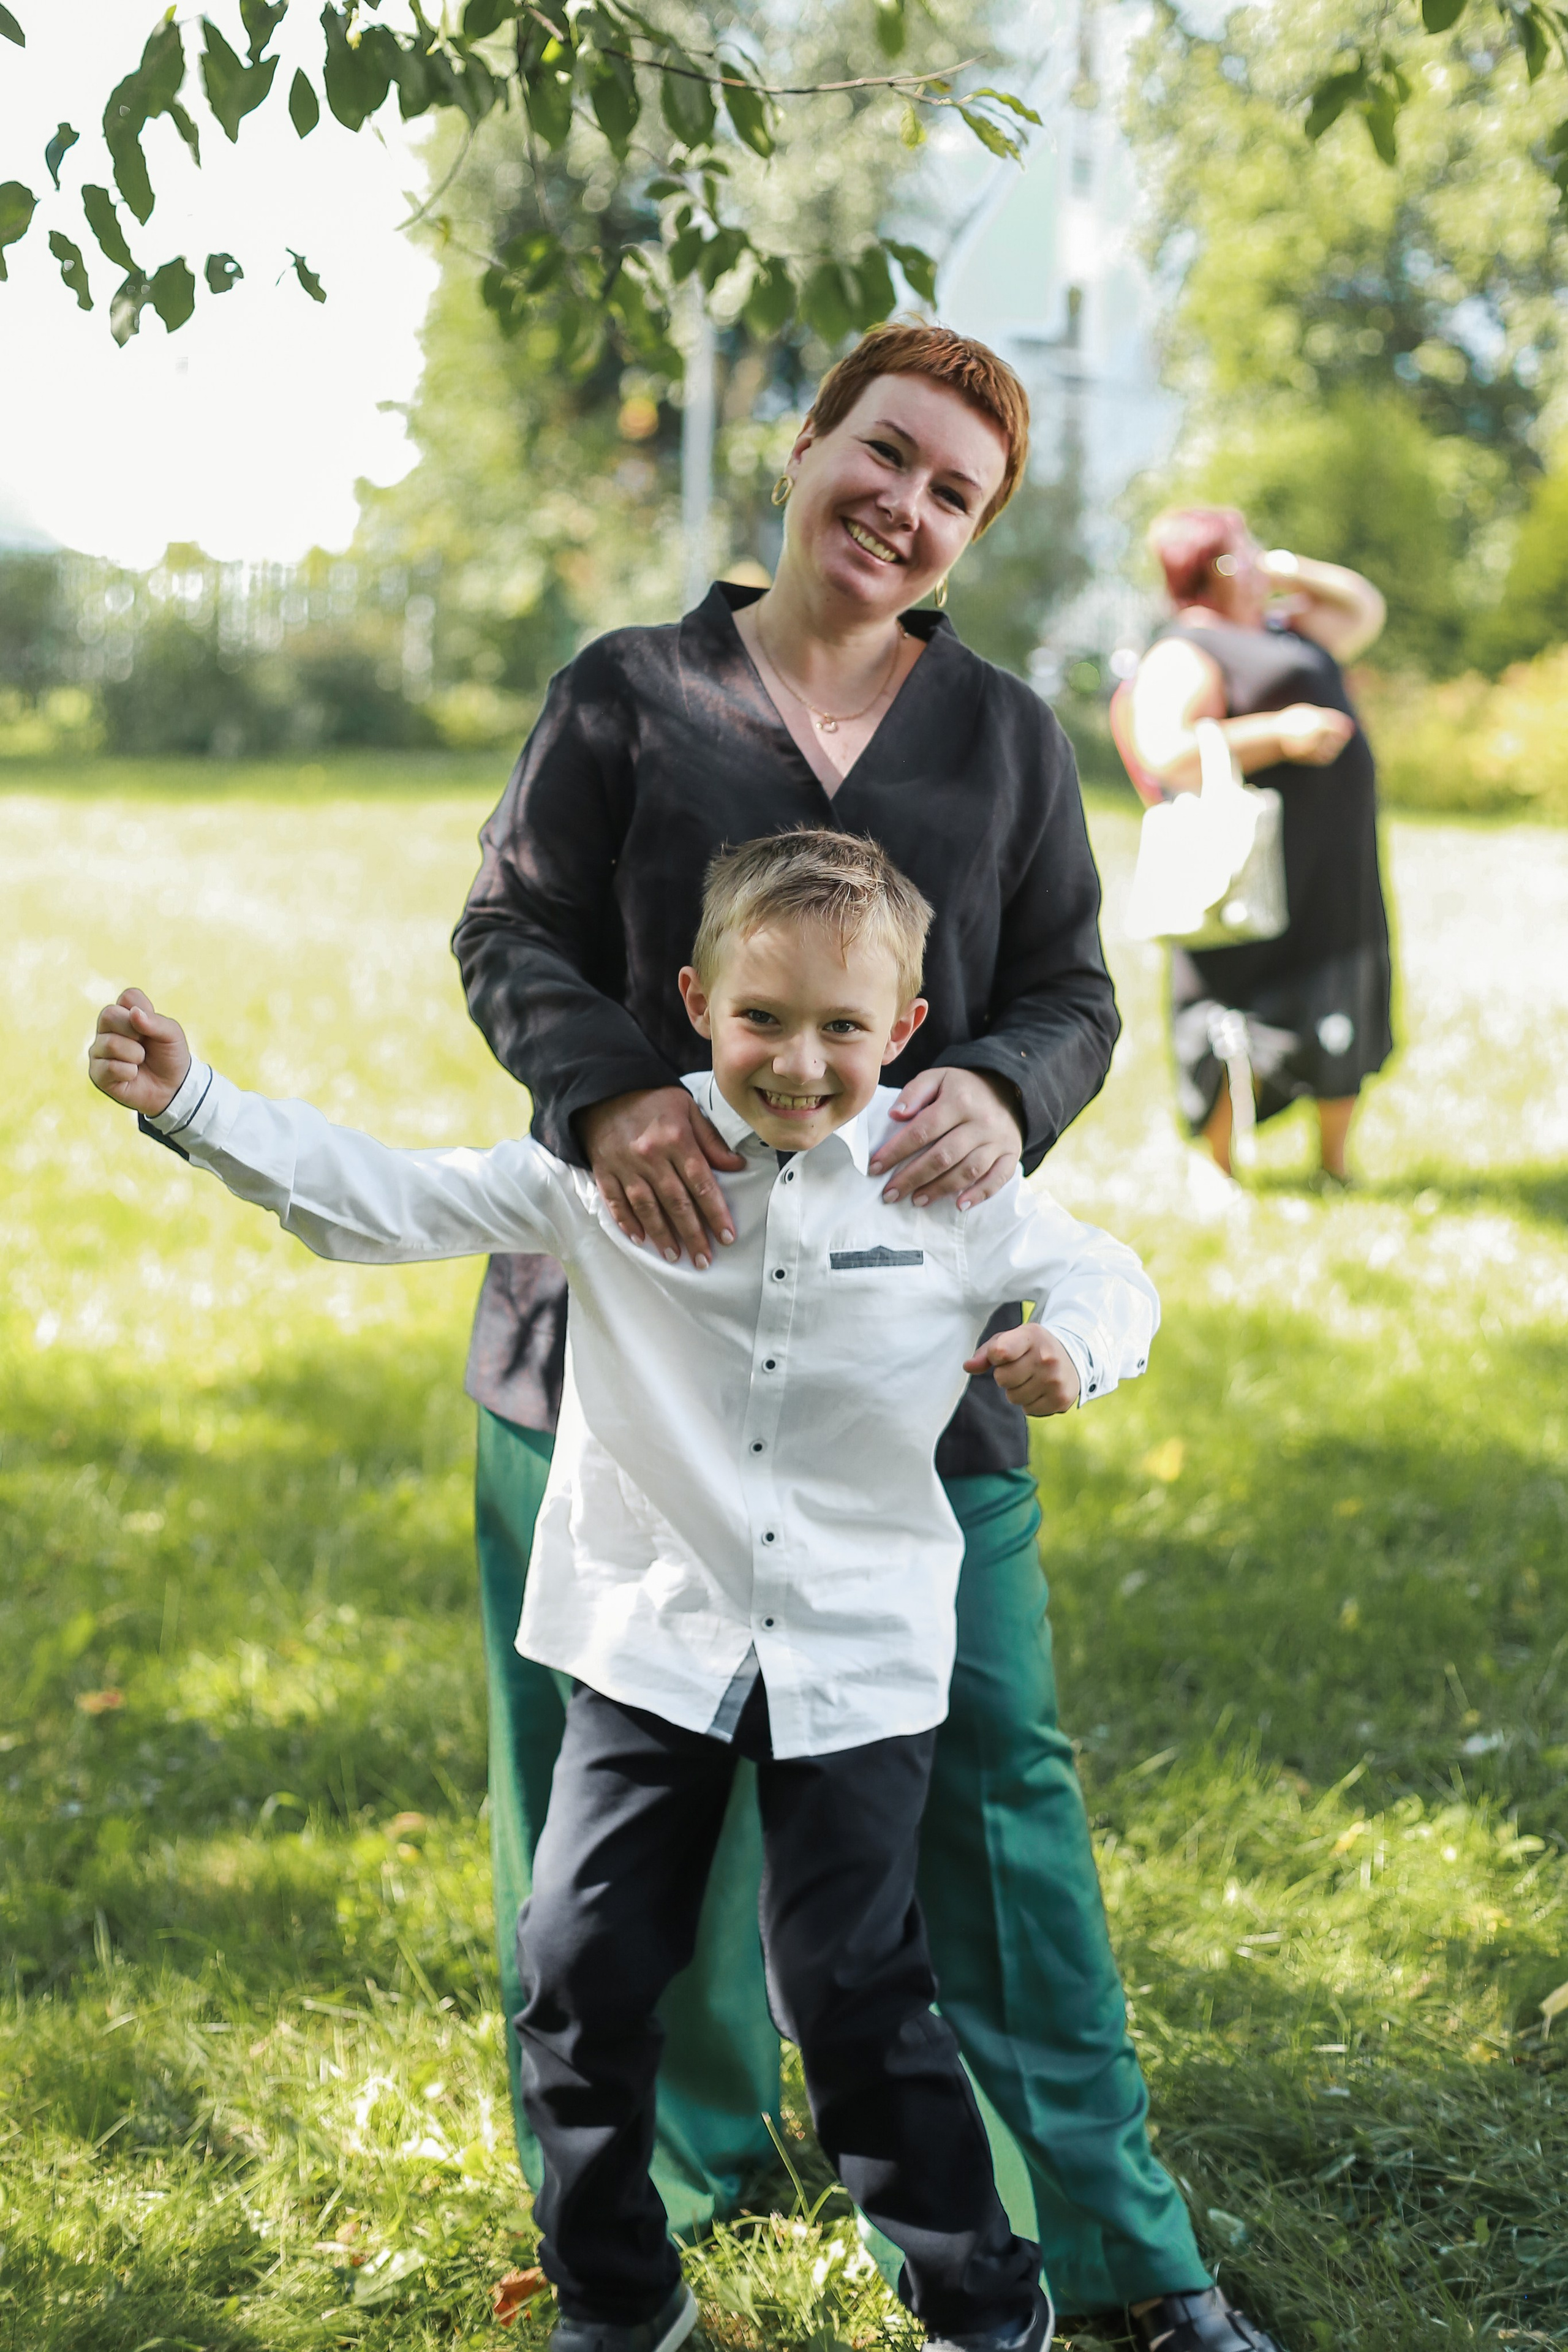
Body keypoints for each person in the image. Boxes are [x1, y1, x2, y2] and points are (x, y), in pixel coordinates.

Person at [451, 323, 1284, 2352]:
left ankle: (1115, 2251)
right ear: (809, 444)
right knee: (603, 1851)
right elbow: (507, 937)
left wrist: (1009, 1085)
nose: (902, 503)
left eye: (953, 493)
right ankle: (656, 2208)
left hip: (911, 1370)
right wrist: (606, 1091)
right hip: (619, 1367)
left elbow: (1078, 990)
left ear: (967, 534)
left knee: (993, 1794)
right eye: (882, 451)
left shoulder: (999, 735)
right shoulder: (626, 695)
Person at [86, 827, 1166, 2352]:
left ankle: (984, 2305)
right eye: (762, 1019)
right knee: (577, 1970)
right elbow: (389, 1201)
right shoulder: (615, 1172)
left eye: (842, 1027)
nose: (799, 1061)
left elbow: (1106, 1269)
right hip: (652, 1638)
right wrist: (194, 1103)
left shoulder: (947, 1181)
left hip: (854, 1659)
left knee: (854, 1997)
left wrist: (1076, 1347)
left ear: (903, 1031)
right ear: (693, 1001)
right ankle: (616, 2291)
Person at [1122, 506, 1392, 1183]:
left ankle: (1334, 1163)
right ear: (1206, 568)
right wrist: (1278, 734)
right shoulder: (1187, 647)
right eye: (1241, 552)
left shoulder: (1284, 628)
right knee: (1232, 1001)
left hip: (1333, 867)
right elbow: (1165, 749)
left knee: (1340, 987)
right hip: (1245, 867)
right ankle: (1217, 1169)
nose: (1258, 561)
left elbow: (1363, 609)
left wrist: (1282, 570)